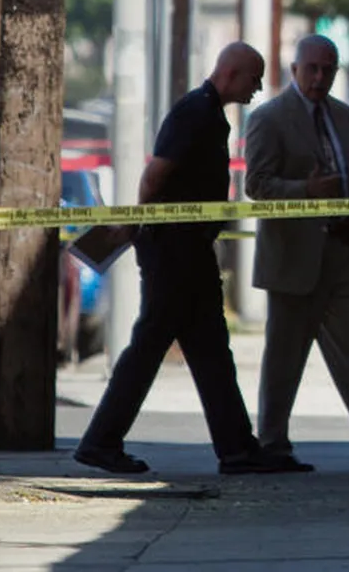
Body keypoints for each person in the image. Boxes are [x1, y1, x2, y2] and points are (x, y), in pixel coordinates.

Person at [74, 42, 283, 475]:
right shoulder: (194, 113)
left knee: (211, 351)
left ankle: (238, 449)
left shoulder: (208, 114)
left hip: (190, 250)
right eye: (253, 77)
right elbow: (155, 175)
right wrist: (144, 222)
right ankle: (100, 442)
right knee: (150, 347)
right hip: (173, 252)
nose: (258, 87)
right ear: (229, 73)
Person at [244, 35, 349, 472]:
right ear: (295, 69)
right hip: (292, 259)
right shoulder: (269, 118)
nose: (318, 78)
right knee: (283, 362)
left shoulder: (343, 117)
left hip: (340, 253)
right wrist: (305, 191)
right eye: (311, 68)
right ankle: (273, 444)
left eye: (327, 70)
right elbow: (255, 185)